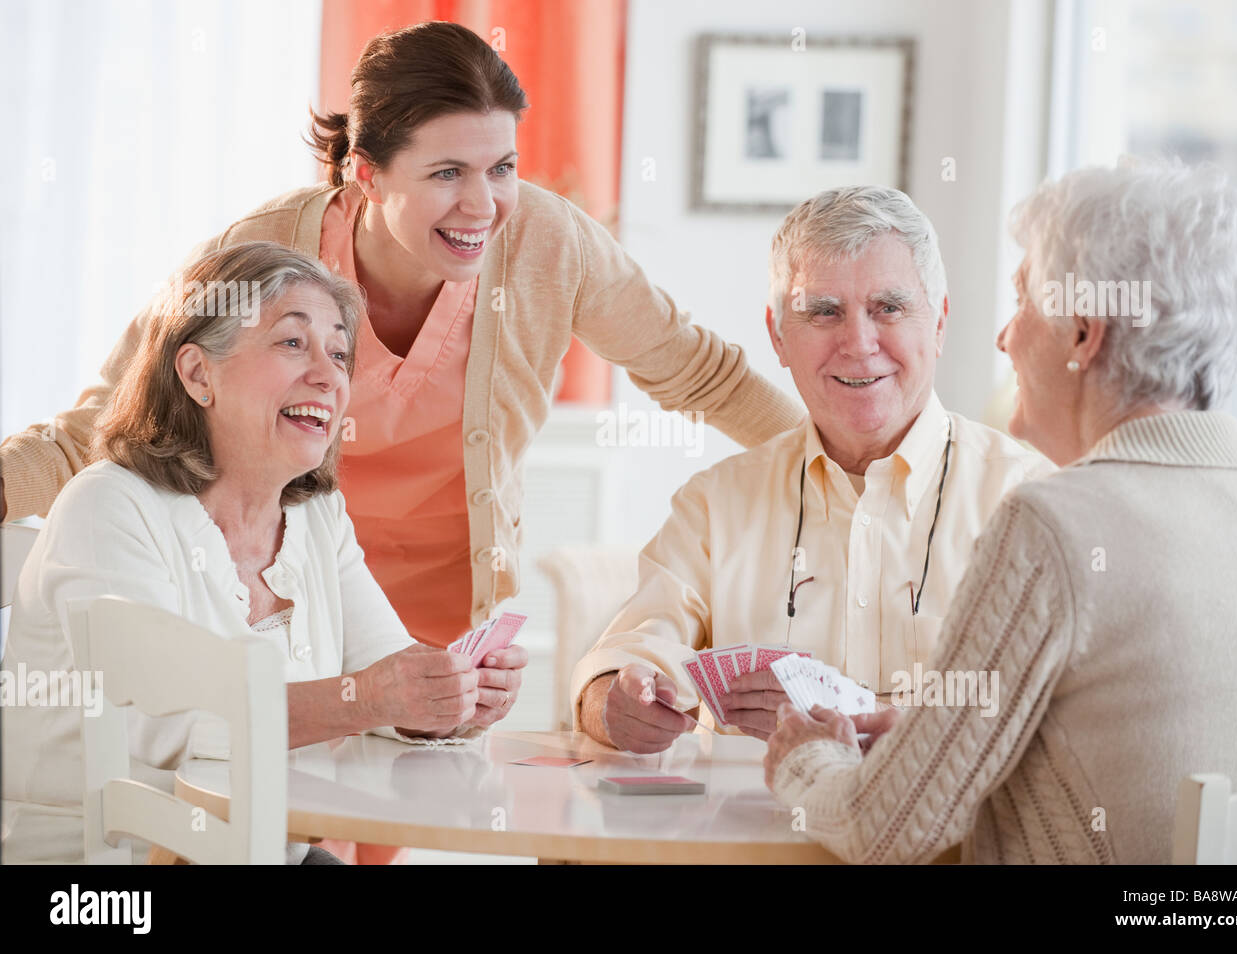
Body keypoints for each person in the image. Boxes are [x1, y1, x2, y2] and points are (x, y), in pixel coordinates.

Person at [0, 21, 801, 862]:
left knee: (349, 828)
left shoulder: (547, 247)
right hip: (266, 583)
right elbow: (100, 430)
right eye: (447, 172)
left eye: (502, 168)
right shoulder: (263, 259)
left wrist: (831, 464)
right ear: (367, 171)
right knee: (271, 819)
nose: (483, 204)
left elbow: (699, 373)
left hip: (399, 609)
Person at [763, 159, 1237, 864]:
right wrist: (933, 734)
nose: (1005, 337)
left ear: (1083, 334)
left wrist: (804, 759)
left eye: (1023, 301)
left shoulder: (1054, 524)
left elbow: (882, 829)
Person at [1, 242, 511, 864]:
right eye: (292, 343)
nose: (328, 374)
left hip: (262, 852)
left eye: (341, 352)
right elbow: (165, 725)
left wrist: (449, 696)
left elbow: (384, 670)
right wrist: (373, 696)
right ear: (197, 375)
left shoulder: (317, 518)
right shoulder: (109, 506)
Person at [571, 186, 1053, 753]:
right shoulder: (715, 504)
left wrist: (853, 714)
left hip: (953, 845)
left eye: (889, 308)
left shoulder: (1030, 497)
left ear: (940, 322)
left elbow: (1051, 720)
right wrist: (612, 705)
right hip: (741, 841)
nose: (859, 343)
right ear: (778, 335)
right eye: (824, 312)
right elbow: (627, 654)